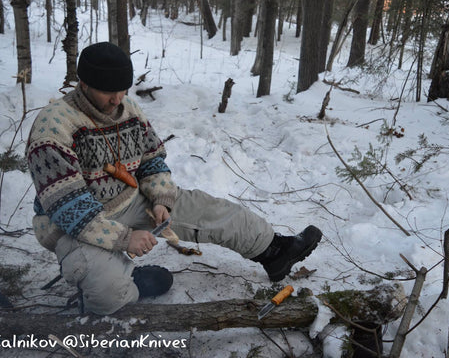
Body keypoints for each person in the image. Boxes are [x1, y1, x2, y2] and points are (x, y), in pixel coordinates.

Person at [26, 42, 322, 315]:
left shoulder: (127, 109)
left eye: (123, 90)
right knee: (107, 295)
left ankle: (273, 251)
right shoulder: (53, 128)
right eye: (107, 92)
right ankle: (131, 282)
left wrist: (160, 199)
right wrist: (125, 239)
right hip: (70, 226)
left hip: (128, 201)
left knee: (209, 210)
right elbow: (69, 208)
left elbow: (151, 160)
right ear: (84, 83)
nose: (117, 99)